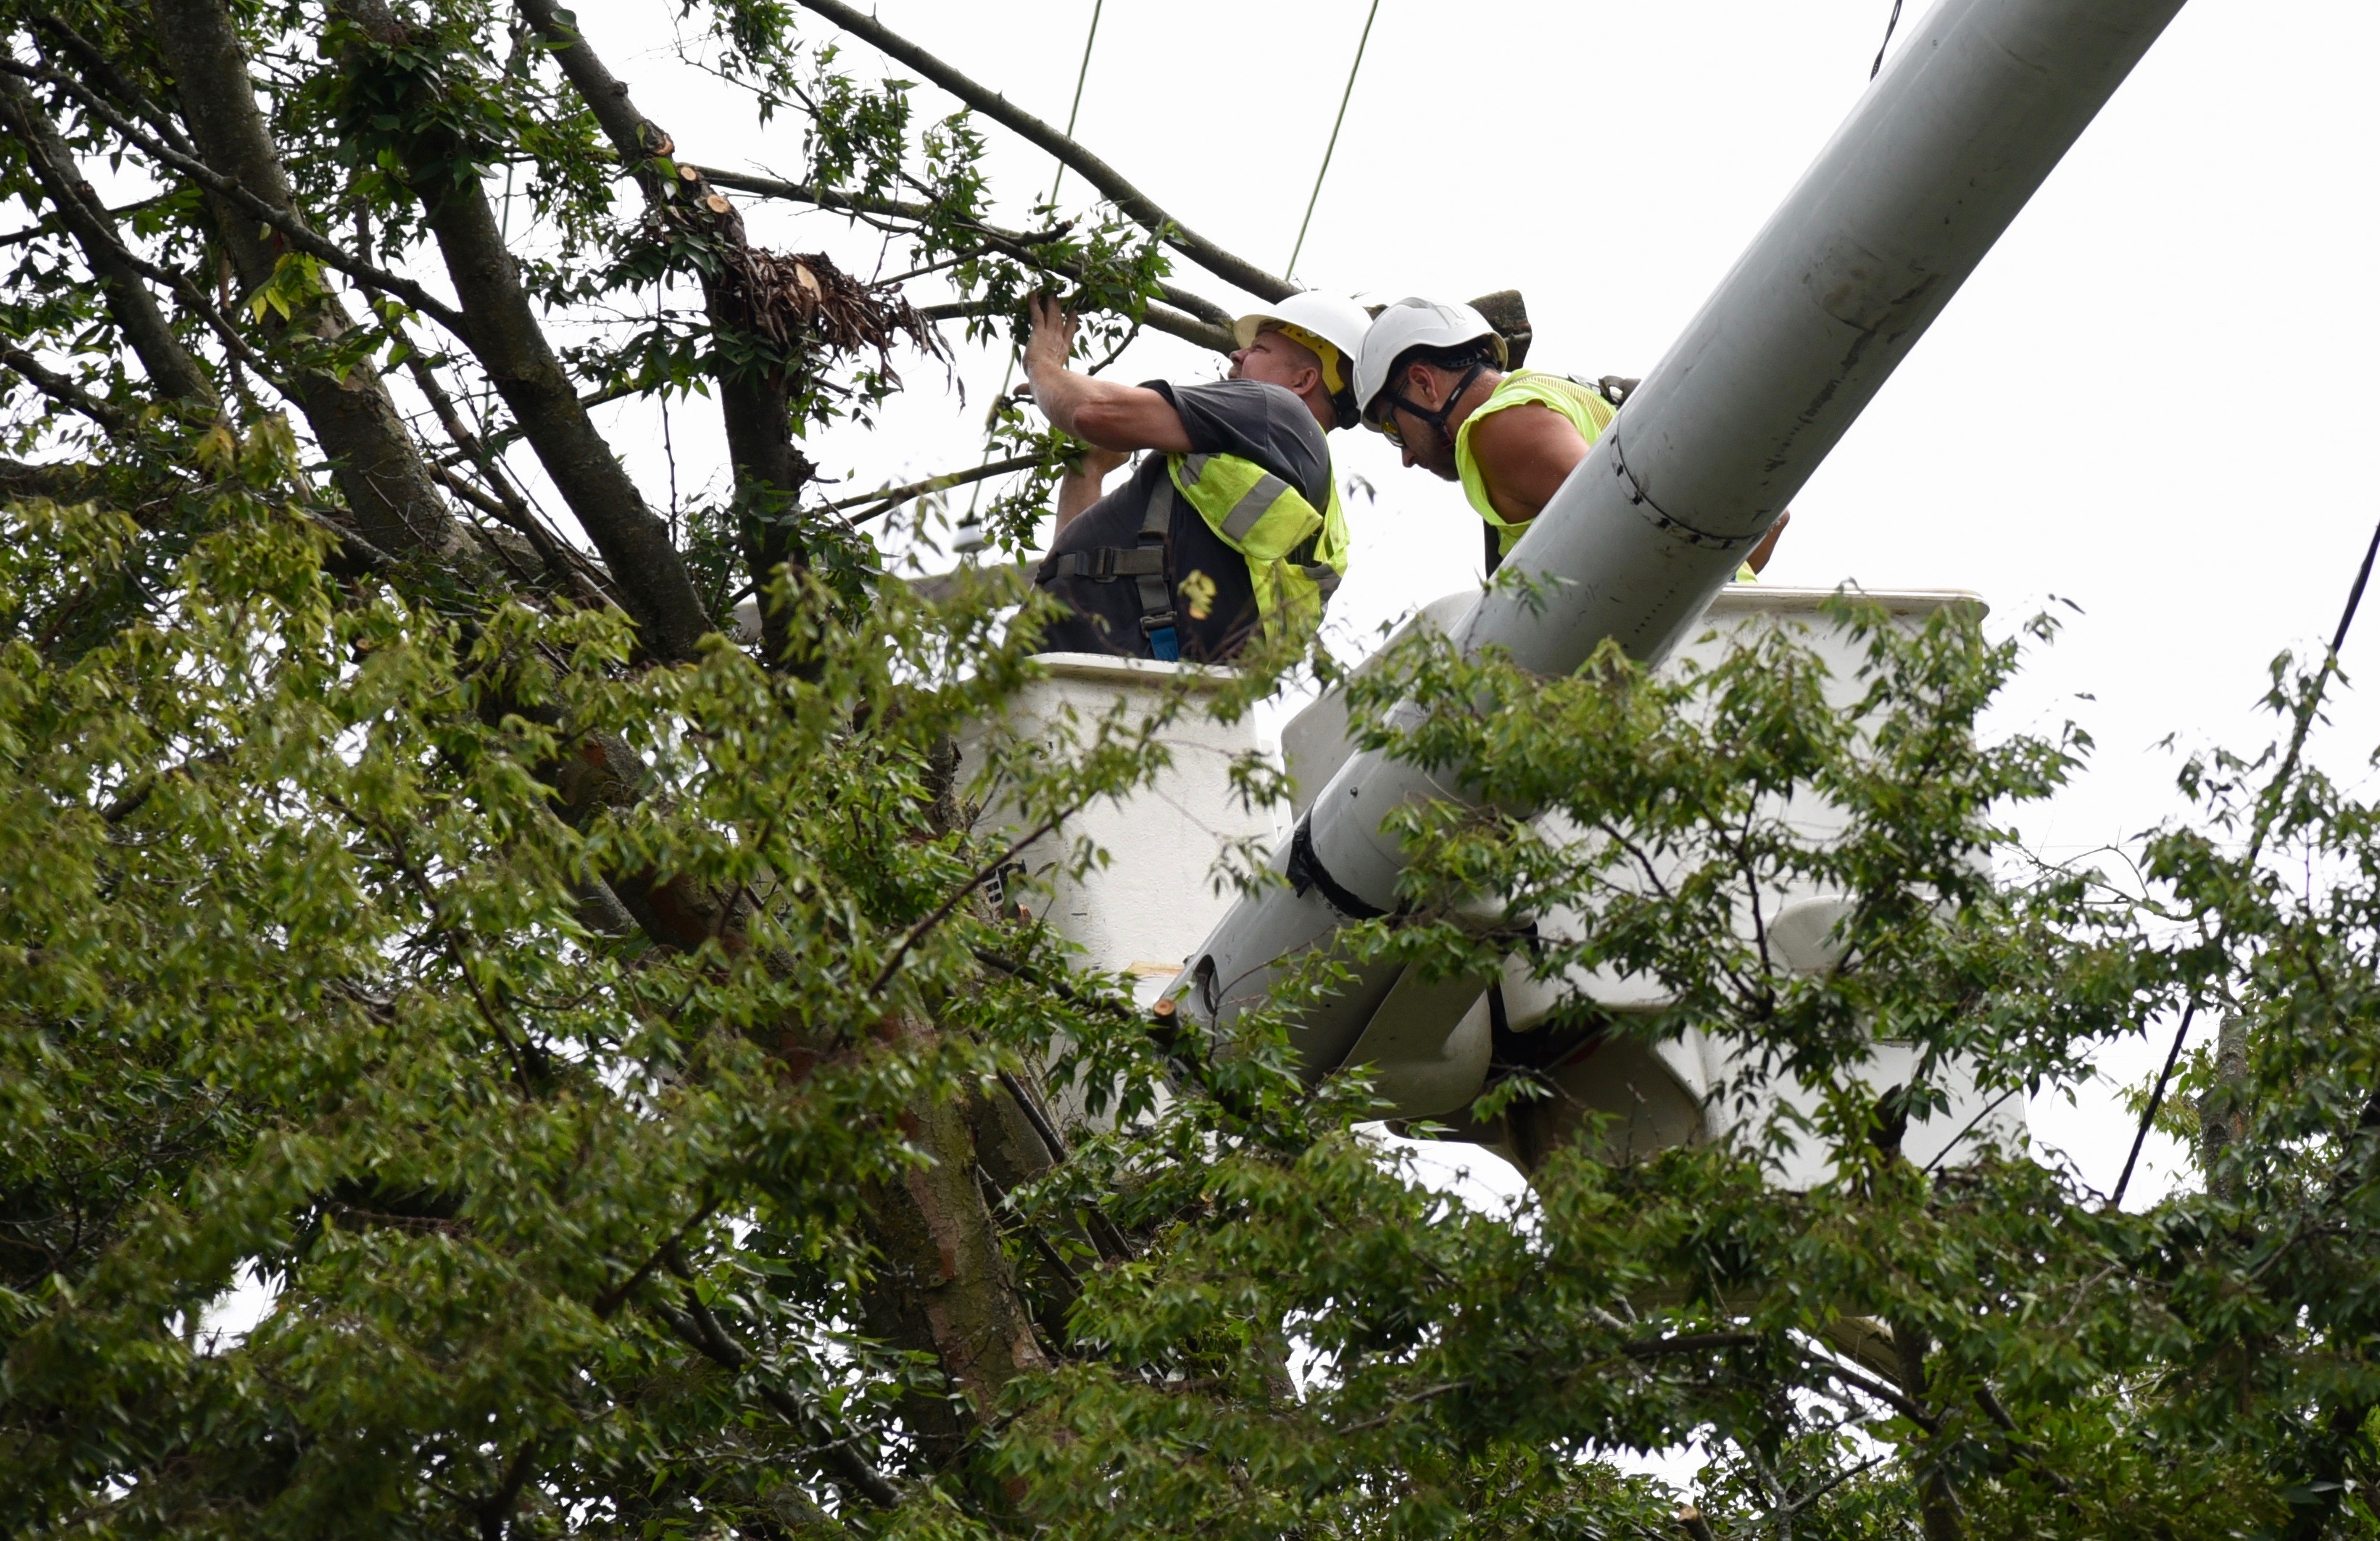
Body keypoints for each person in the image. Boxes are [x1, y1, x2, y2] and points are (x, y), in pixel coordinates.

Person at [1024, 289, 1370, 662]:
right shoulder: (1267, 465)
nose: (1237, 354)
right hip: (1104, 676)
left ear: (1303, 381)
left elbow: (1093, 412)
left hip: (1101, 679)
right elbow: (1083, 569)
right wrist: (1088, 473)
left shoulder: (1277, 408)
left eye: (1260, 349)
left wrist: (1042, 365)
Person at [1353, 296, 1788, 576]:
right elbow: (1753, 528)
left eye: (1393, 428)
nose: (1406, 456)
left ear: (1425, 385)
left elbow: (1631, 527)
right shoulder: (1562, 394)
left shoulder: (1498, 428)